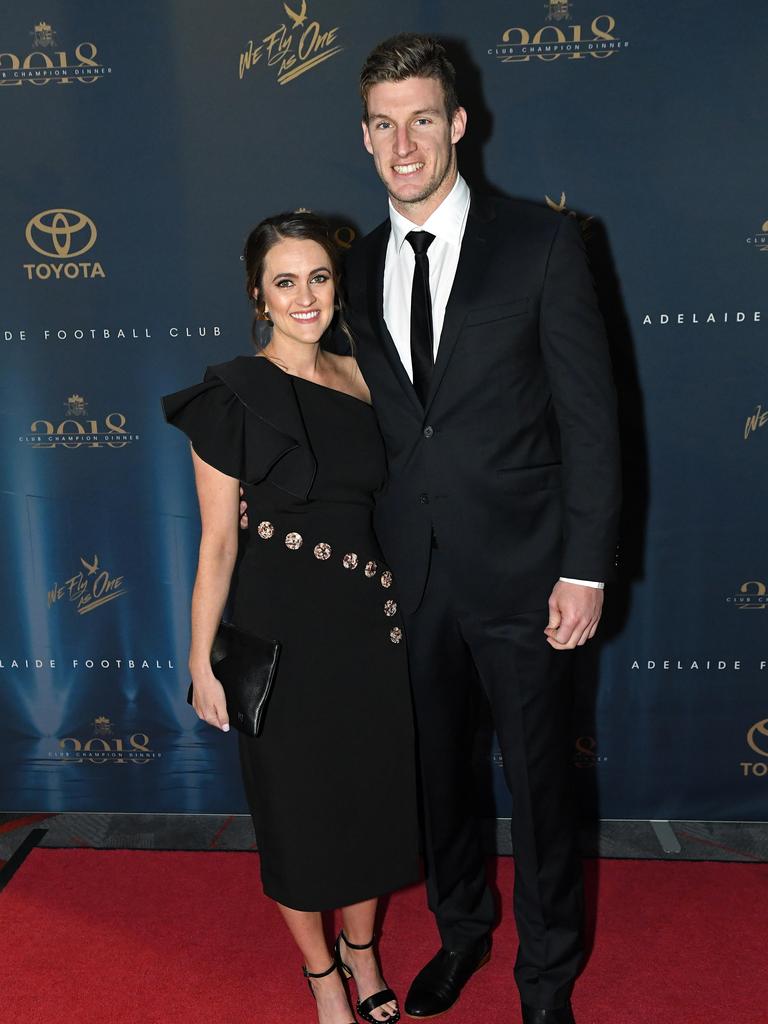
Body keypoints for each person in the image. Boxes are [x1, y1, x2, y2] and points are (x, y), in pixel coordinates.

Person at [346, 33, 621, 1024]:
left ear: (459, 123)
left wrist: (585, 567)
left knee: (545, 793)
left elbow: (592, 420)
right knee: (437, 784)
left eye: (424, 119)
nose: (404, 143)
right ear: (365, 134)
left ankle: (546, 983)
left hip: (527, 575)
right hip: (410, 577)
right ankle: (463, 930)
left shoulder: (544, 244)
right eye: (385, 123)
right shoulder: (357, 262)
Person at [162, 211, 419, 1024]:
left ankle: (363, 954)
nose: (304, 296)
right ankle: (321, 979)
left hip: (367, 632)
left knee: (370, 806)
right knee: (300, 815)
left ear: (335, 287)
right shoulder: (230, 397)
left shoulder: (369, 379)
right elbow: (215, 545)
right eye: (284, 281)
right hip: (281, 635)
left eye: (317, 277)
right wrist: (202, 661)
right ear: (258, 296)